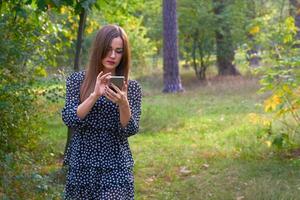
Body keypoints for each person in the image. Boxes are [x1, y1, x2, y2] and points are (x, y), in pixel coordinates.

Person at [61, 24, 142, 200]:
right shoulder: (77, 80)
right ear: (99, 48)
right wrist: (94, 95)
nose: (113, 55)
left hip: (115, 164)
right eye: (108, 49)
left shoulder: (132, 87)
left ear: (124, 54)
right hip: (82, 165)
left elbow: (130, 130)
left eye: (119, 51)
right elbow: (69, 118)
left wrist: (123, 103)